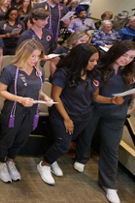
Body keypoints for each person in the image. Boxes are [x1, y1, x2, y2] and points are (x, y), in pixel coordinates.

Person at [74, 41, 135, 203]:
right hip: (96, 107)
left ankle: (109, 185)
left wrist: (130, 108)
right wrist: (112, 101)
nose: (127, 59)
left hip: (116, 114)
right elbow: (95, 96)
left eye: (131, 57)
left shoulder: (131, 71)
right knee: (87, 136)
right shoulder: (100, 67)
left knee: (111, 149)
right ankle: (81, 158)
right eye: (124, 55)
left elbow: (133, 95)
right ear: (116, 52)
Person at [38, 43, 99, 186]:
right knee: (64, 145)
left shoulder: (93, 74)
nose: (95, 64)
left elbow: (95, 97)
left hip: (83, 115)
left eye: (96, 60)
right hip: (63, 113)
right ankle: (44, 164)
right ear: (81, 59)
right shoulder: (63, 73)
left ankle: (52, 160)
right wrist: (66, 119)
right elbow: (56, 97)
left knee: (63, 142)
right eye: (92, 60)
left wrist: (111, 100)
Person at [0, 39, 53, 183]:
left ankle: (10, 161)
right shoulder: (10, 70)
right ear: (23, 54)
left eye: (38, 56)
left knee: (21, 139)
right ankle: (1, 163)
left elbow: (38, 90)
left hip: (31, 112)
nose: (35, 60)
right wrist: (20, 99)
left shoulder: (39, 71)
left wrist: (46, 97)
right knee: (8, 138)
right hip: (13, 111)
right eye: (32, 56)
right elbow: (0, 91)